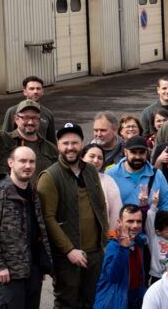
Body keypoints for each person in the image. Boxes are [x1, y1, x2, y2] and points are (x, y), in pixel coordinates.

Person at [37, 123, 108, 309]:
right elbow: (48, 218)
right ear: (58, 145)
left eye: (75, 142)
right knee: (67, 303)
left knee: (91, 301)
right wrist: (69, 250)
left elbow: (101, 206)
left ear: (82, 143)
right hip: (67, 257)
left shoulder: (91, 170)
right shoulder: (49, 177)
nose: (70, 147)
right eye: (65, 143)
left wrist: (104, 243)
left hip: (94, 254)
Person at [0, 147, 53, 309]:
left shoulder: (33, 192)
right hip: (7, 273)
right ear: (10, 163)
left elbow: (37, 230)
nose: (28, 166)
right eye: (22, 161)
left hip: (32, 271)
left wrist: (41, 265)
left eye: (31, 161)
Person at [96, 205, 149, 309]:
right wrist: (123, 249)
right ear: (119, 222)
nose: (135, 225)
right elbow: (112, 277)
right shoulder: (114, 245)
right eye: (130, 221)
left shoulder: (138, 240)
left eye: (138, 221)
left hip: (137, 297)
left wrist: (144, 207)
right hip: (116, 301)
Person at [82, 144, 124, 228]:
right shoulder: (71, 179)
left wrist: (111, 237)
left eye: (100, 158)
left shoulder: (108, 181)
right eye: (92, 156)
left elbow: (115, 215)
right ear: (81, 158)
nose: (96, 160)